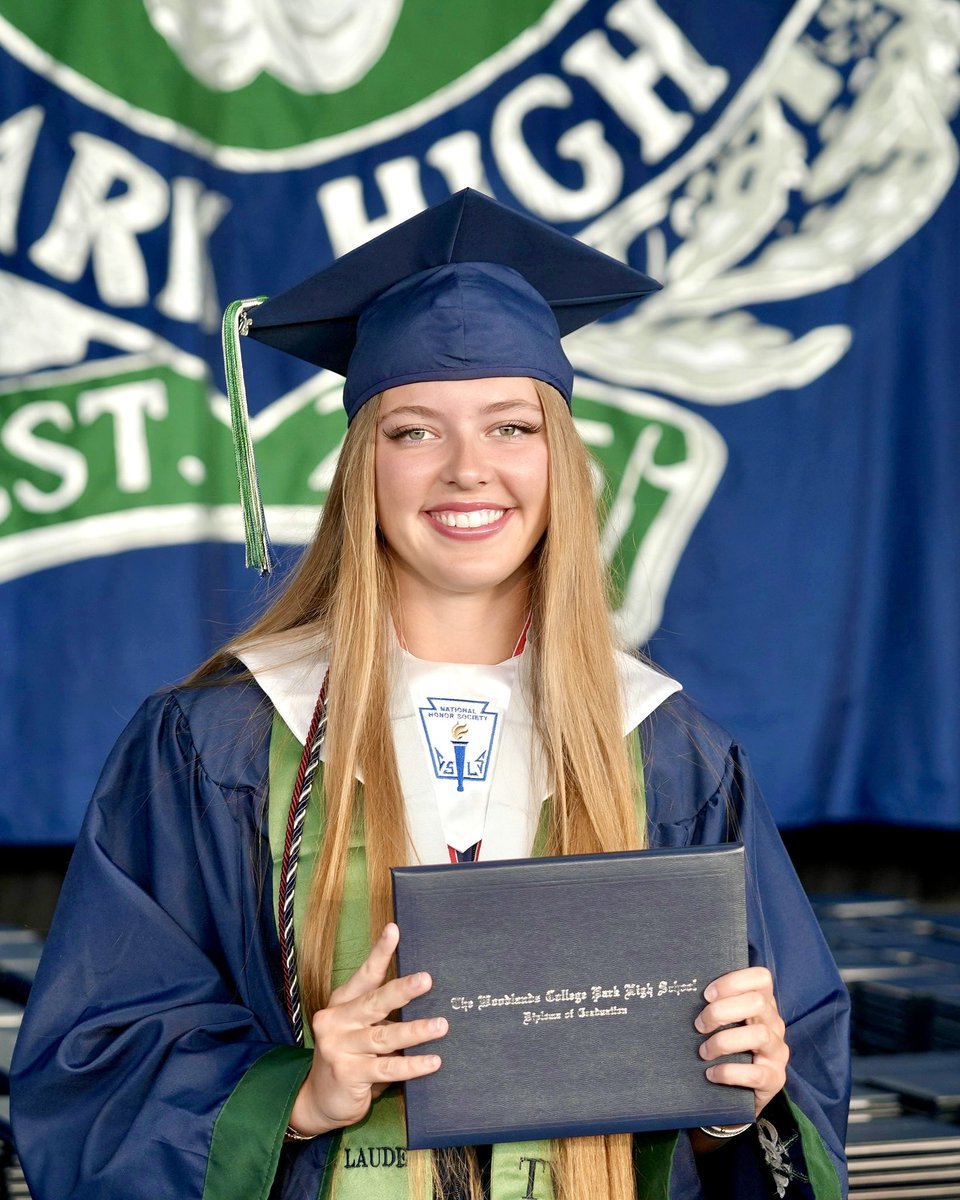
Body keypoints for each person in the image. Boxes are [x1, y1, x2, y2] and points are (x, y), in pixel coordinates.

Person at [11, 190, 849, 1200]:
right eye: (415, 432)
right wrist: (301, 1094)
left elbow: (786, 1064)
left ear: (560, 461)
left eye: (511, 426)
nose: (468, 472)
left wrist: (735, 1106)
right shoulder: (220, 745)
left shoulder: (668, 751)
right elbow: (92, 1063)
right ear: (361, 466)